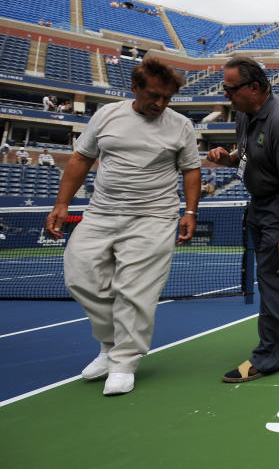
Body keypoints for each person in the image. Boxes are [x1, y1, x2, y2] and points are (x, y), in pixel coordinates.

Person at [44, 57, 200, 396]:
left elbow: (190, 170)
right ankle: (110, 344)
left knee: (135, 290)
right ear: (135, 88)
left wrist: (189, 211)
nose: (160, 104)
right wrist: (62, 204)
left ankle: (124, 362)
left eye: (167, 98)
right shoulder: (106, 115)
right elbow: (81, 159)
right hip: (101, 213)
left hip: (154, 217)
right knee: (79, 275)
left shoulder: (181, 126)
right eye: (154, 96)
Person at [207, 55, 279, 384]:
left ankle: (267, 355)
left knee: (272, 276)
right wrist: (229, 159)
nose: (226, 94)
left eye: (231, 88)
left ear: (254, 88)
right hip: (260, 200)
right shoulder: (245, 113)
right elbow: (246, 153)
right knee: (278, 275)